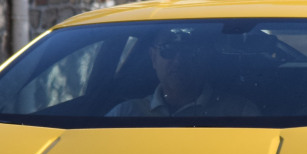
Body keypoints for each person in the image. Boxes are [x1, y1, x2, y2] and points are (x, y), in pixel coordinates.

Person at [106, 28, 259, 117]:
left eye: (190, 52)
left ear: (205, 59)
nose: (179, 61)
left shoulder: (240, 113)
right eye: (169, 50)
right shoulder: (124, 114)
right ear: (153, 58)